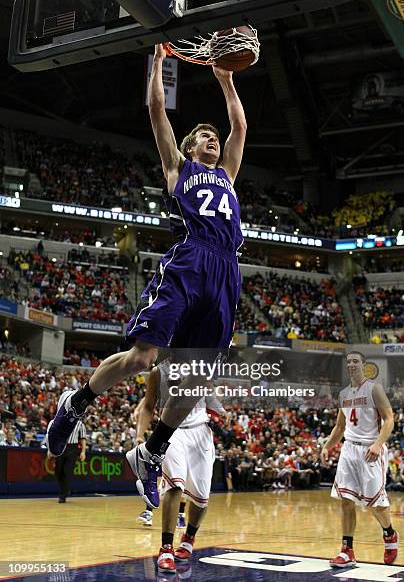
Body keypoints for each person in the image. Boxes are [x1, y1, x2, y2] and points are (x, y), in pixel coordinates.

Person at [46, 42, 246, 511]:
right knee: (144, 357)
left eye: (214, 137)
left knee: (195, 380)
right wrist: (159, 60)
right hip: (191, 260)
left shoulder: (230, 175)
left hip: (226, 270)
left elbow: (240, 125)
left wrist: (226, 79)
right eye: (204, 136)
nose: (213, 140)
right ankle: (76, 403)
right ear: (190, 147)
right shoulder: (179, 169)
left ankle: (152, 449)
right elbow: (157, 108)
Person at [135, 358, 227, 573]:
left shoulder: (200, 367)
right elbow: (148, 406)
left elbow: (209, 394)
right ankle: (166, 548)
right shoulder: (158, 372)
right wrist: (140, 435)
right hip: (171, 431)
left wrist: (220, 410)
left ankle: (188, 539)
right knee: (174, 485)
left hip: (200, 431)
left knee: (201, 497)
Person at [321, 351, 398, 567]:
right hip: (349, 450)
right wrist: (327, 447)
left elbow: (389, 419)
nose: (351, 365)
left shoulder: (375, 389)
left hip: (370, 450)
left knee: (375, 503)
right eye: (349, 362)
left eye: (356, 361)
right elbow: (339, 426)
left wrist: (378, 444)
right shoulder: (344, 394)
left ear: (364, 365)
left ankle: (389, 534)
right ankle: (347, 551)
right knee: (346, 500)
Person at [48, 394, 87, 503]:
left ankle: (63, 495)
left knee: (67, 471)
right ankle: (64, 489)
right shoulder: (62, 421)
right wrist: (50, 449)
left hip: (73, 448)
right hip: (61, 445)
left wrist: (83, 452)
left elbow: (83, 439)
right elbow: (54, 435)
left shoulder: (80, 425)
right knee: (58, 470)